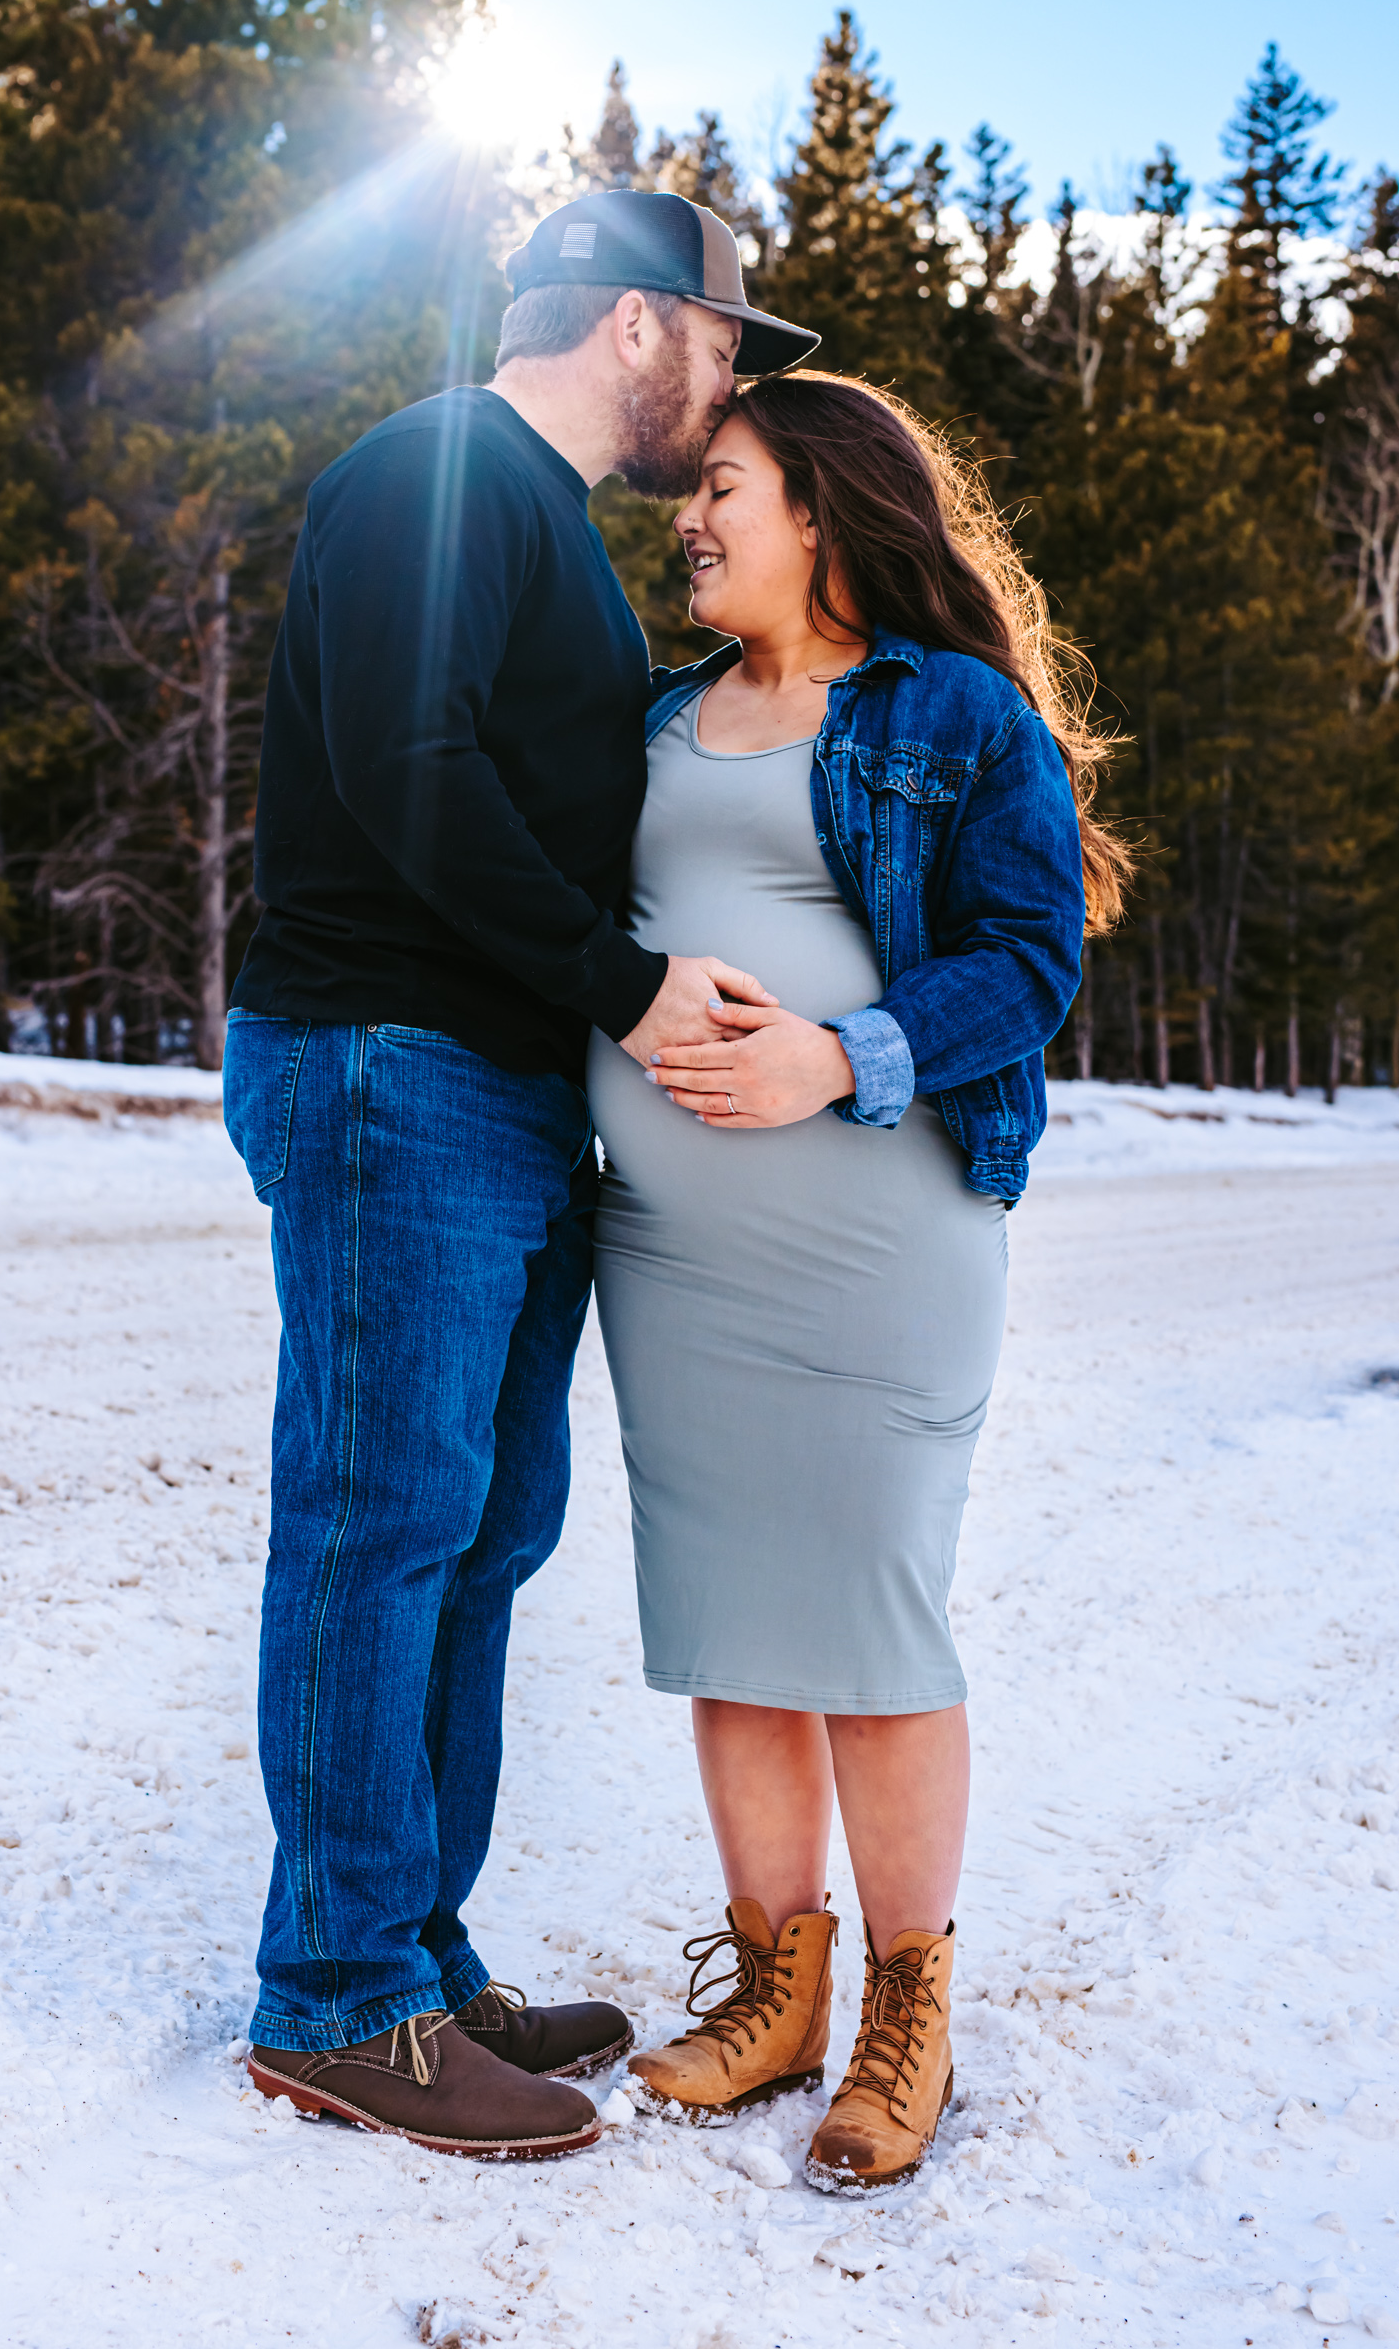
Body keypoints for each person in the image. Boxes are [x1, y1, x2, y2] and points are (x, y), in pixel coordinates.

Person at [220, 191, 819, 2161]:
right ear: (644, 326)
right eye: (726, 342)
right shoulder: (440, 469)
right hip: (394, 1059)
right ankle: (335, 2000)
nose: (729, 383)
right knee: (381, 1523)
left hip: (495, 1080)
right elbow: (411, 769)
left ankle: (413, 1951)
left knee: (478, 1538)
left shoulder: (534, 523)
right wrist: (626, 989)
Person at [587, 372, 1130, 2189]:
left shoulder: (951, 711)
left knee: (872, 1620)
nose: (689, 513)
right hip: (666, 1252)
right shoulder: (651, 719)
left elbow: (1026, 957)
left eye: (720, 484)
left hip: (876, 1232)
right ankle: (772, 1992)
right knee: (734, 1620)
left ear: (820, 508)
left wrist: (841, 1056)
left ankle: (909, 2004)